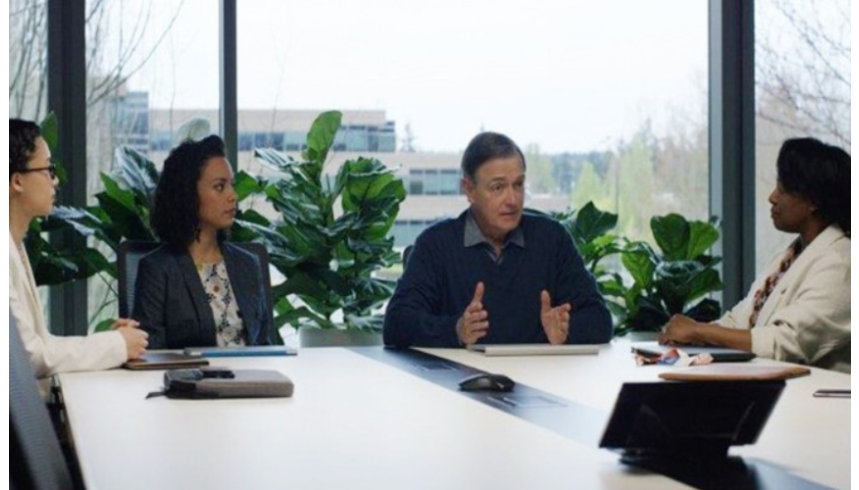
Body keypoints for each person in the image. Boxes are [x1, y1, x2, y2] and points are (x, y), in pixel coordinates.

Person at [384, 131, 612, 347]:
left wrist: (565, 331)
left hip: (540, 379)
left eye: (518, 185)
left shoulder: (551, 239)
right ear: (469, 189)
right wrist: (456, 330)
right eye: (498, 187)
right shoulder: (436, 245)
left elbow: (600, 319)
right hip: (460, 383)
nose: (512, 200)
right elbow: (397, 324)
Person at [660, 137, 850, 372]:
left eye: (782, 189)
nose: (772, 197)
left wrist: (698, 331)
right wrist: (689, 335)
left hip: (820, 404)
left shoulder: (842, 264)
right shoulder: (791, 256)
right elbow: (740, 321)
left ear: (813, 201)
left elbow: (786, 344)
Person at [9, 119, 148, 377]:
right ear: (17, 181)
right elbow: (30, 356)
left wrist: (109, 342)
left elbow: (42, 343)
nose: (56, 181)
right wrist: (117, 345)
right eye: (48, 170)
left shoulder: (15, 246)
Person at [133, 135, 272, 349]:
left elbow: (265, 345)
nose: (233, 196)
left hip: (251, 378)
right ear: (188, 194)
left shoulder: (248, 265)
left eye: (231, 185)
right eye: (219, 187)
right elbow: (150, 354)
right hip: (192, 380)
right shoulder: (158, 270)